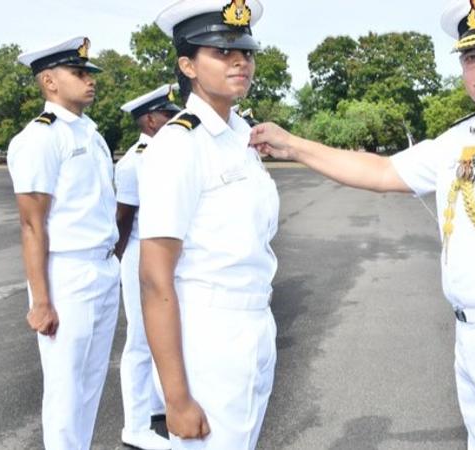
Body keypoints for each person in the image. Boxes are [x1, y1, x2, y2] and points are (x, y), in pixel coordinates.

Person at [251, 0, 475, 448]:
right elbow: (383, 172)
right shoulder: (460, 138)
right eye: (472, 57)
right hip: (471, 335)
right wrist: (295, 146)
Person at [139, 1, 278, 448]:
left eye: (246, 52)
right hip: (209, 333)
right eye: (222, 52)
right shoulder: (178, 146)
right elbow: (154, 276)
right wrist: (176, 398)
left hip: (256, 320)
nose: (240, 61)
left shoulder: (243, 136)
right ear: (187, 65)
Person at [7, 36, 120, 450]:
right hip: (68, 273)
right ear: (50, 81)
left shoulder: (90, 132)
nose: (90, 81)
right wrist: (41, 300)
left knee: (90, 384)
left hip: (102, 268)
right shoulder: (40, 138)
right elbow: (31, 224)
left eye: (89, 73)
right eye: (79, 73)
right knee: (65, 388)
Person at [115, 84, 181, 450]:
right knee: (140, 341)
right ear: (151, 120)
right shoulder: (134, 161)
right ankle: (134, 426)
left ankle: (157, 406)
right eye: (168, 115)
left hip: (167, 252)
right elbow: (123, 219)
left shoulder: (170, 153)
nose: (174, 119)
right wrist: (119, 264)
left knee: (166, 334)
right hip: (140, 254)